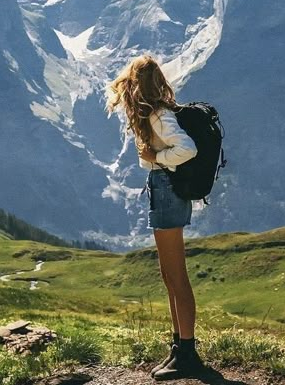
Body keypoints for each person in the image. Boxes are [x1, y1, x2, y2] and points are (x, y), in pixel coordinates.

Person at [106, 53, 207, 380]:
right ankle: (179, 348)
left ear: (136, 83)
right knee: (168, 275)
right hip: (161, 187)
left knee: (176, 275)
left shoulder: (160, 115)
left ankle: (188, 352)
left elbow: (187, 149)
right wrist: (155, 159)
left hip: (168, 189)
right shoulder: (152, 113)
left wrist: (158, 157)